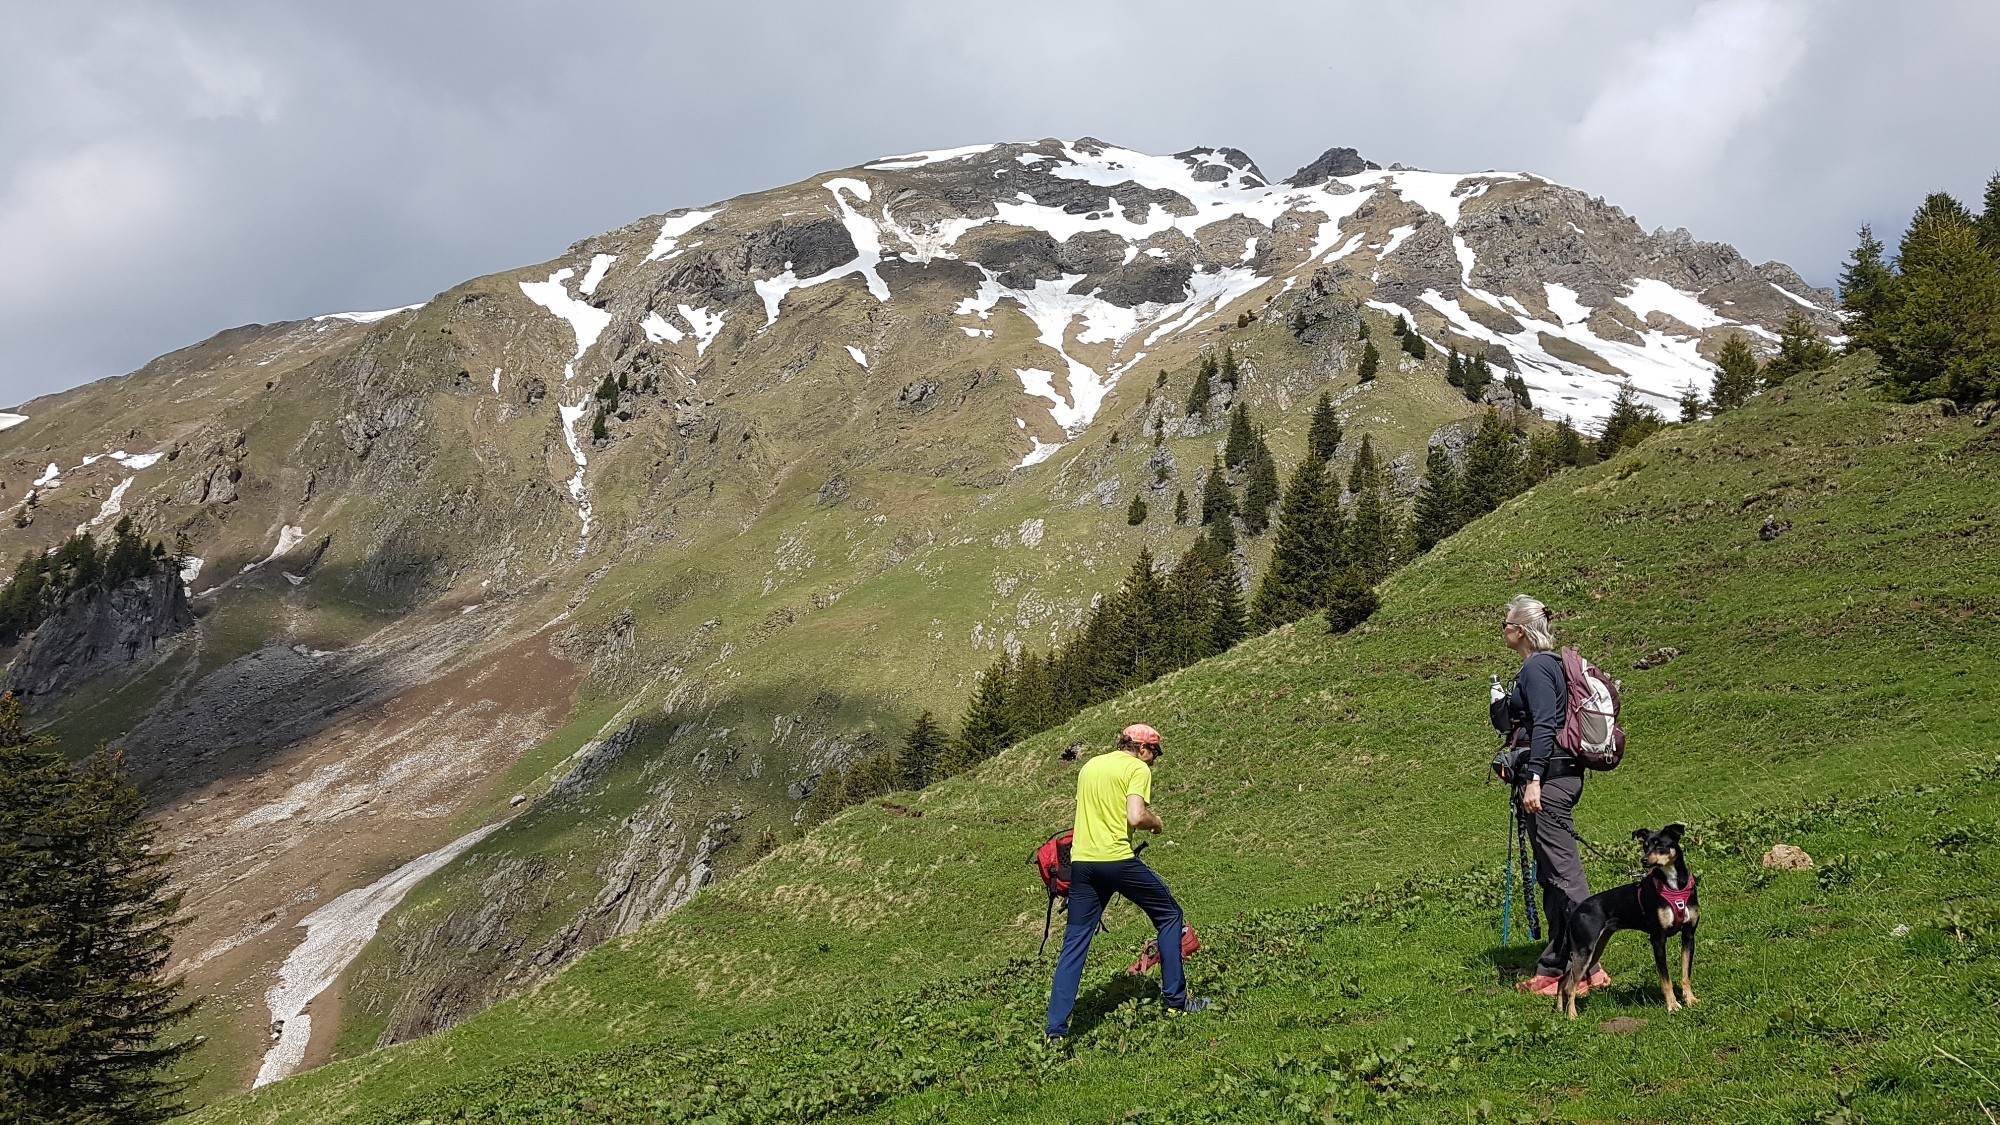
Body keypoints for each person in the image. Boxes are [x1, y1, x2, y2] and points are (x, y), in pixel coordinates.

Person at [1045, 723, 1210, 1039]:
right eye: (1154, 754)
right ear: (1142, 748)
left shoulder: (1091, 766)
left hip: (1082, 863)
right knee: (1170, 915)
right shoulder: (1137, 769)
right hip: (1117, 860)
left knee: (1075, 943)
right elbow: (1135, 816)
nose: (1153, 762)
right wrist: (1155, 822)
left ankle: (1055, 1031)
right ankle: (1176, 1003)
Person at [1490, 595, 1607, 997]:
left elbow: (1545, 726)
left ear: (1519, 630)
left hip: (1551, 781)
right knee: (1551, 877)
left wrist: (1535, 777)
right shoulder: (1546, 666)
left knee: (1565, 875)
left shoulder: (1538, 667)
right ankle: (1554, 967)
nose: (1503, 631)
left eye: (1505, 625)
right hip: (1559, 776)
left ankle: (1590, 969)